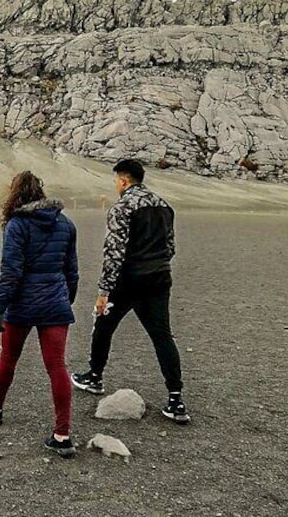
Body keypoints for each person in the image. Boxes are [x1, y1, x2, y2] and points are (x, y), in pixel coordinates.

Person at [71, 159, 191, 424]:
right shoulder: (164, 205)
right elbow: (170, 246)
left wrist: (104, 291)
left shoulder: (122, 207)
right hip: (159, 278)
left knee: (103, 324)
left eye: (116, 181)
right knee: (162, 336)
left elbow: (113, 253)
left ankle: (94, 375)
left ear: (123, 180)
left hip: (129, 279)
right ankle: (175, 398)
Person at [0, 171, 79, 458]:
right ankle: (62, 434)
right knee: (57, 366)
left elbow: (11, 271)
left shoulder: (17, 225)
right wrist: (66, 299)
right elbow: (71, 270)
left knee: (9, 359)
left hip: (22, 305)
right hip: (55, 304)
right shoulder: (65, 224)